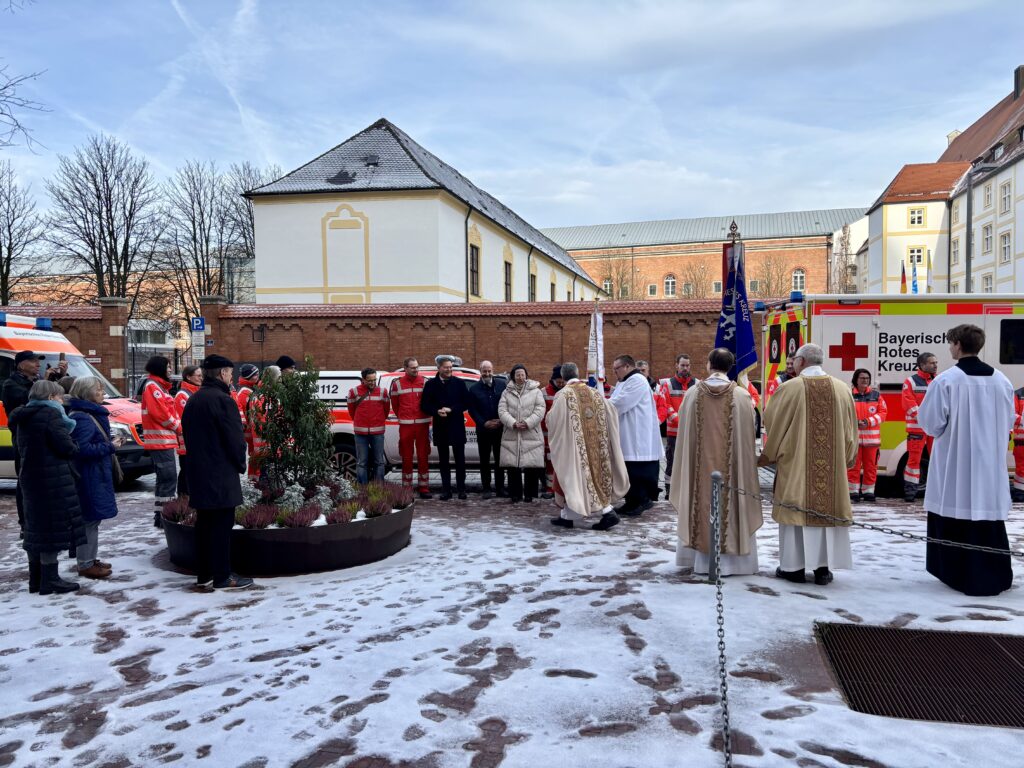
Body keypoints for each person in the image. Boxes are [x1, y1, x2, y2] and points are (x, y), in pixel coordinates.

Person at [918, 324, 1015, 596]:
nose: (949, 348)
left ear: (958, 345)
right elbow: (1009, 420)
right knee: (986, 516)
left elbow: (931, 424)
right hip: (990, 464)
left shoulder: (946, 380)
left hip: (955, 463)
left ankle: (957, 572)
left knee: (956, 509)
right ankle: (992, 572)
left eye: (951, 344)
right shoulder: (1001, 380)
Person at [761, 343, 857, 586]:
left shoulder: (789, 388)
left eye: (794, 360)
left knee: (797, 509)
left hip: (796, 465)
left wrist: (771, 454)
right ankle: (823, 569)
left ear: (801, 362)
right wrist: (845, 457)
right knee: (824, 512)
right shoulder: (842, 388)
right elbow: (850, 430)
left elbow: (772, 422)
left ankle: (793, 568)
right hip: (831, 466)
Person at [670, 348, 762, 575]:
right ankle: (736, 563)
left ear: (709, 364)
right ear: (730, 367)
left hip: (700, 474)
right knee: (733, 501)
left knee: (698, 500)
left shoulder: (692, 393)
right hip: (732, 474)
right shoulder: (742, 396)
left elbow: (683, 432)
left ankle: (700, 561)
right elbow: (750, 436)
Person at [182, 354, 252, 591]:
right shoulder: (223, 400)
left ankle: (205, 575)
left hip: (199, 472)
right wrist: (240, 464)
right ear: (223, 373)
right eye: (230, 373)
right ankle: (222, 576)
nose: (231, 377)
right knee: (222, 527)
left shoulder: (194, 400)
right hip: (220, 473)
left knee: (204, 526)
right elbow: (234, 439)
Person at [9, 380, 85, 594]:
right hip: (52, 479)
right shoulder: (50, 415)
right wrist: (74, 445)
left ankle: (36, 579)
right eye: (60, 397)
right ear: (51, 397)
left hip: (30, 478)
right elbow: (65, 446)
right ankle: (50, 580)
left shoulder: (23, 416)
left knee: (35, 528)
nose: (62, 400)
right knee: (51, 529)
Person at [547, 362, 629, 531]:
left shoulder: (563, 395)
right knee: (588, 478)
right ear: (577, 373)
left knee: (576, 478)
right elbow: (611, 412)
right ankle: (567, 516)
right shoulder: (595, 393)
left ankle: (608, 513)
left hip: (575, 447)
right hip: (597, 445)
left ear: (562, 378)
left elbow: (553, 420)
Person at [66, 376, 122, 580]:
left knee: (93, 519)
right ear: (87, 392)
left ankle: (90, 558)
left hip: (95, 473)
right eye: (98, 389)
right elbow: (82, 449)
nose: (102, 393)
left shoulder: (89, 413)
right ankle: (85, 563)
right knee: (89, 519)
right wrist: (110, 446)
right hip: (90, 475)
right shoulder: (83, 417)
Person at [610, 354, 665, 516]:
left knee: (637, 472)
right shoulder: (625, 381)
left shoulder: (637, 381)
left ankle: (641, 501)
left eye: (616, 369)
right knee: (629, 472)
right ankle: (631, 502)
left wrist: (598, 404)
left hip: (638, 436)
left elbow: (620, 403)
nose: (615, 372)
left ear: (627, 366)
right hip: (628, 433)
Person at [3, 350, 44, 530]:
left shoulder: (34, 381)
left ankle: (39, 519)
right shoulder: (11, 384)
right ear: (21, 365)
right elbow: (29, 400)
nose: (38, 364)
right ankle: (25, 523)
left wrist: (59, 377)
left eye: (38, 361)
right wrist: (43, 385)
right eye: (33, 361)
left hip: (39, 437)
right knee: (25, 481)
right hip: (23, 438)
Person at [421, 355, 470, 500]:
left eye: (450, 367)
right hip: (440, 426)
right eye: (446, 367)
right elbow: (425, 405)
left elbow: (466, 403)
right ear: (439, 368)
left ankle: (461, 489)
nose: (449, 370)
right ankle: (446, 490)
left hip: (456, 425)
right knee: (443, 461)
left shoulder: (459, 383)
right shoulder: (431, 384)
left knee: (460, 460)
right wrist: (436, 411)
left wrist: (452, 409)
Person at [140, 355, 180, 527]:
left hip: (163, 441)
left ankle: (161, 516)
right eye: (168, 366)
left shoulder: (158, 386)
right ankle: (167, 517)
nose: (170, 369)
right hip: (161, 441)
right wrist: (178, 427)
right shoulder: (153, 387)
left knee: (165, 480)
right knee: (169, 479)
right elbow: (161, 414)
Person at [498, 364, 546, 503]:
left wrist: (528, 422)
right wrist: (513, 423)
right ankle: (515, 494)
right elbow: (502, 410)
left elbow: (540, 409)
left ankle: (530, 494)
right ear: (513, 376)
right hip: (512, 433)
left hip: (530, 432)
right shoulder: (506, 392)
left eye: (523, 374)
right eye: (518, 374)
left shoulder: (535, 391)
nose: (520, 377)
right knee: (513, 465)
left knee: (531, 464)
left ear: (526, 375)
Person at [390, 357, 432, 499]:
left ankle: (424, 487)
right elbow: (395, 405)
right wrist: (404, 416)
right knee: (406, 457)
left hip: (422, 424)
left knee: (423, 456)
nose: (416, 370)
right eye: (413, 367)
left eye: (417, 367)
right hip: (406, 425)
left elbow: (428, 401)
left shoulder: (425, 381)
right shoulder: (397, 384)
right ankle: (407, 487)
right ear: (405, 368)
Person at [658, 354, 699, 497]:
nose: (685, 368)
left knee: (692, 461)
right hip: (674, 433)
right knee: (672, 462)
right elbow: (666, 405)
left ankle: (689, 489)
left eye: (687, 365)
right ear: (676, 365)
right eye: (682, 365)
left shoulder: (698, 384)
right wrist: (680, 420)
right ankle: (670, 491)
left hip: (692, 432)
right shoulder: (668, 384)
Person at [902, 352, 937, 502]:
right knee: (913, 461)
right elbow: (908, 403)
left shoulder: (938, 380)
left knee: (937, 459)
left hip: (935, 428)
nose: (935, 365)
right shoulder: (911, 381)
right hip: (917, 428)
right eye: (932, 363)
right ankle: (910, 492)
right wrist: (925, 417)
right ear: (922, 365)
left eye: (936, 362)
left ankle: (937, 491)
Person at [468, 360, 507, 498]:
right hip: (483, 430)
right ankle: (486, 488)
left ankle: (500, 488)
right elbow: (472, 409)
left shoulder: (502, 385)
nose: (487, 373)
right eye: (484, 371)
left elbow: (506, 404)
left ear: (493, 370)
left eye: (489, 370)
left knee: (499, 460)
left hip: (499, 428)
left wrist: (502, 420)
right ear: (480, 371)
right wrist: (483, 423)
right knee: (484, 460)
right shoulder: (474, 389)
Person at [847, 368, 887, 503]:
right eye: (862, 378)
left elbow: (883, 413)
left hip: (872, 441)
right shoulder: (849, 395)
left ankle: (868, 492)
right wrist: (856, 422)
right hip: (855, 440)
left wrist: (868, 422)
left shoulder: (876, 396)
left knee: (871, 467)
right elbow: (844, 413)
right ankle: (853, 492)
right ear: (855, 380)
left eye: (867, 378)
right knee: (853, 467)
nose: (865, 381)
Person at [347, 367, 390, 484]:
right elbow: (352, 411)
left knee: (379, 462)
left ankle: (379, 488)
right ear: (363, 380)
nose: (372, 382)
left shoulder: (383, 392)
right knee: (362, 462)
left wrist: (379, 421)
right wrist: (360, 422)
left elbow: (386, 410)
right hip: (360, 433)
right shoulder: (353, 392)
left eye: (374, 380)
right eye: (369, 380)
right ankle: (363, 490)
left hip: (378, 432)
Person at [173, 365, 202, 497]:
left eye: (202, 375)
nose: (201, 378)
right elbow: (187, 420)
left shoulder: (195, 392)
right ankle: (183, 500)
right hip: (187, 444)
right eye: (198, 375)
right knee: (186, 473)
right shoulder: (182, 395)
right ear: (188, 377)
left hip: (195, 442)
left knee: (192, 473)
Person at [248, 365, 281, 478]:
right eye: (278, 378)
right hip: (266, 447)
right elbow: (264, 421)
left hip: (267, 446)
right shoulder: (263, 396)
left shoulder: (264, 394)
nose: (280, 381)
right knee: (267, 479)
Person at [540, 365, 565, 497]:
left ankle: (559, 488)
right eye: (558, 381)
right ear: (553, 380)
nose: (560, 384)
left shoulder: (566, 391)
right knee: (549, 463)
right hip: (547, 435)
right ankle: (550, 488)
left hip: (562, 435)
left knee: (561, 463)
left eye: (562, 381)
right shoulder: (544, 392)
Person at [235, 364, 260, 464]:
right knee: (255, 454)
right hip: (250, 431)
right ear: (248, 376)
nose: (258, 376)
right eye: (255, 374)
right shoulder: (244, 392)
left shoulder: (251, 389)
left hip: (252, 429)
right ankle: (255, 477)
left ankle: (255, 477)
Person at [1013, 386, 1024, 503]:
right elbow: (1011, 414)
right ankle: (1020, 496)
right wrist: (1022, 420)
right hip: (1021, 444)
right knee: (1021, 470)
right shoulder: (1018, 394)